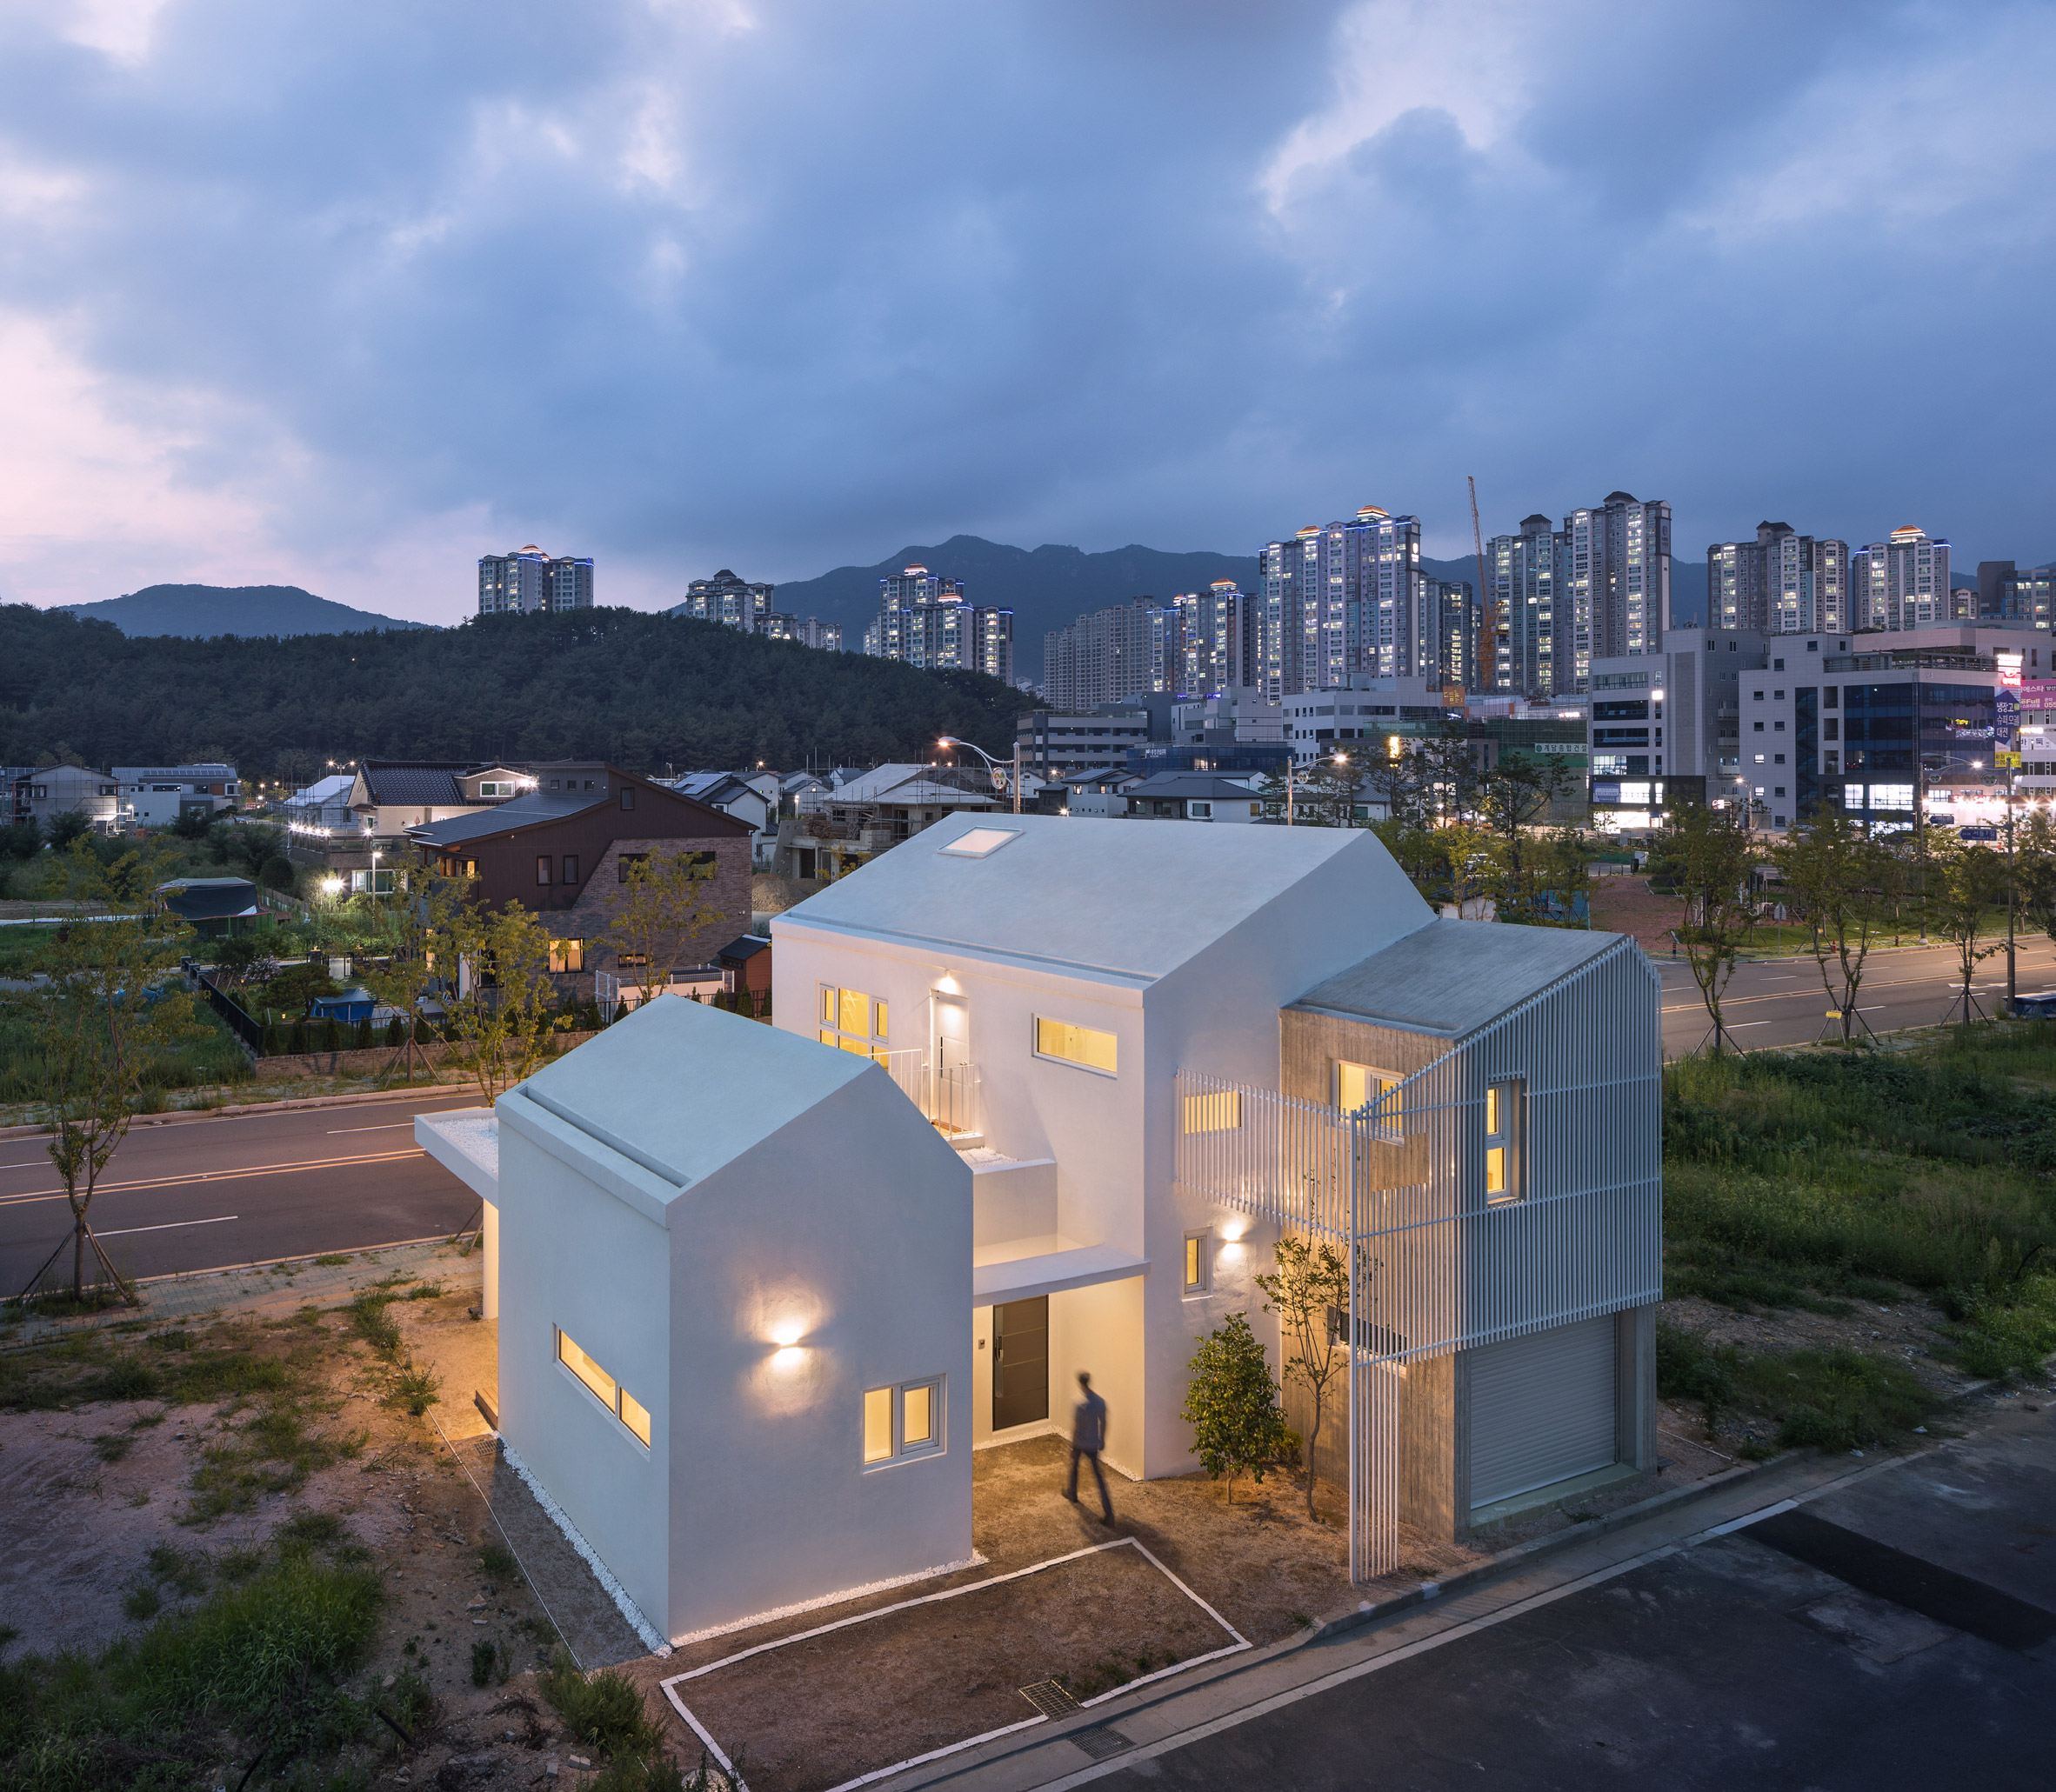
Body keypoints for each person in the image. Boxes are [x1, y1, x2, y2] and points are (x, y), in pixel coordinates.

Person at [1064, 1370, 1113, 1523]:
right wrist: (1102, 1439)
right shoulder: (1100, 1402)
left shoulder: (1079, 1402)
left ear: (1080, 1383)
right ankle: (1109, 1514)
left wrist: (1072, 1445)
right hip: (1093, 1443)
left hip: (1080, 1442)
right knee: (1099, 1478)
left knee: (1074, 1467)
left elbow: (1076, 1426)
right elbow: (1104, 1422)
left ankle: (1072, 1493)